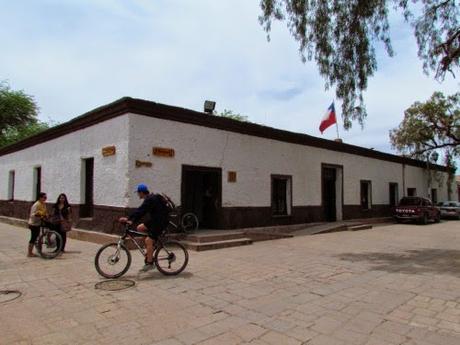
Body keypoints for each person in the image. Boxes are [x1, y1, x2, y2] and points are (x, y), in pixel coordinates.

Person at [119, 183, 169, 272]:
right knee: (140, 228)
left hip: (160, 222)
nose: (138, 195)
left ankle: (150, 263)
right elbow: (141, 211)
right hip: (155, 220)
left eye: (138, 193)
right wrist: (131, 220)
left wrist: (129, 219)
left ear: (142, 192)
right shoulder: (149, 198)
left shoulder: (150, 199)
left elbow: (141, 211)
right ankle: (150, 248)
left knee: (148, 240)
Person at [27, 192, 49, 257]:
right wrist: (38, 214)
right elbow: (32, 214)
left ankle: (39, 250)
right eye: (44, 197)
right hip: (33, 223)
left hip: (39, 222)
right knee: (33, 237)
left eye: (46, 197)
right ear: (40, 198)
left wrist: (46, 215)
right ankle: (29, 253)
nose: (45, 198)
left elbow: (45, 212)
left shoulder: (43, 204)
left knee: (37, 236)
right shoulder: (36, 205)